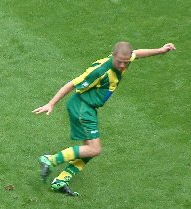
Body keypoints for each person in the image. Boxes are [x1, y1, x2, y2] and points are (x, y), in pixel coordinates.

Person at [32, 42, 176, 196]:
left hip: (89, 108)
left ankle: (61, 181)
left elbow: (138, 53)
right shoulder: (100, 71)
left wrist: (160, 50)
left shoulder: (127, 58)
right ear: (113, 55)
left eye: (125, 62)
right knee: (94, 149)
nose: (122, 65)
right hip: (82, 107)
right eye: (119, 61)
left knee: (89, 151)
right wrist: (51, 104)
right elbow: (72, 84)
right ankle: (50, 160)